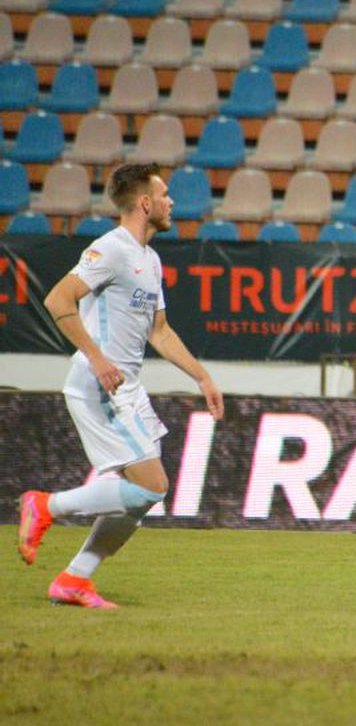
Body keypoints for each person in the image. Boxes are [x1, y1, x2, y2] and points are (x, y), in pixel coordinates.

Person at [18, 163, 225, 609]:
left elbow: (160, 332)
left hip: (127, 388)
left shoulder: (149, 259)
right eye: (165, 194)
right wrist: (97, 356)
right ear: (145, 203)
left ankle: (75, 579)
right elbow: (58, 299)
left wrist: (202, 377)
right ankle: (45, 506)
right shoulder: (110, 249)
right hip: (99, 384)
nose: (172, 202)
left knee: (139, 498)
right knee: (152, 486)